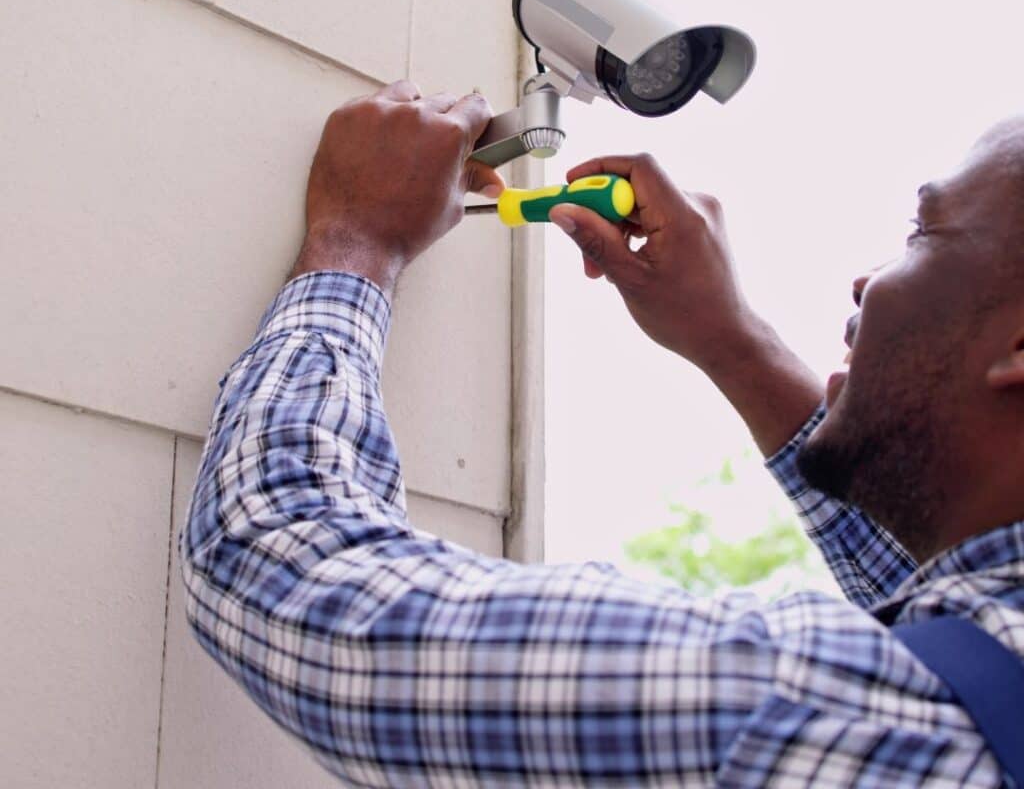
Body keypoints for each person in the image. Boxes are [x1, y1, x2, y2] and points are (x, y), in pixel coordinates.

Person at [179, 79, 1024, 786]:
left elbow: (278, 554)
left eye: (925, 232)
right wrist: (731, 341)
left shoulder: (838, 722)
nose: (865, 282)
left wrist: (354, 243)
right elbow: (929, 586)